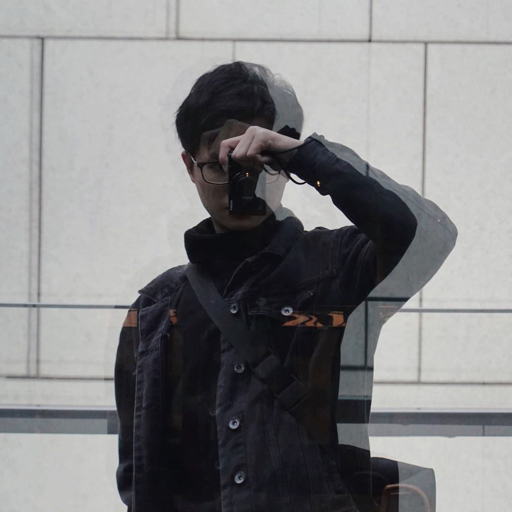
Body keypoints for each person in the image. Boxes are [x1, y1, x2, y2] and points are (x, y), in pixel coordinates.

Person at [114, 61, 457, 512]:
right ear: (190, 167)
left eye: (259, 163)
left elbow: (430, 236)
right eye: (220, 165)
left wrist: (306, 158)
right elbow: (140, 476)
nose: (241, 183)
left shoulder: (337, 267)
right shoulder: (156, 310)